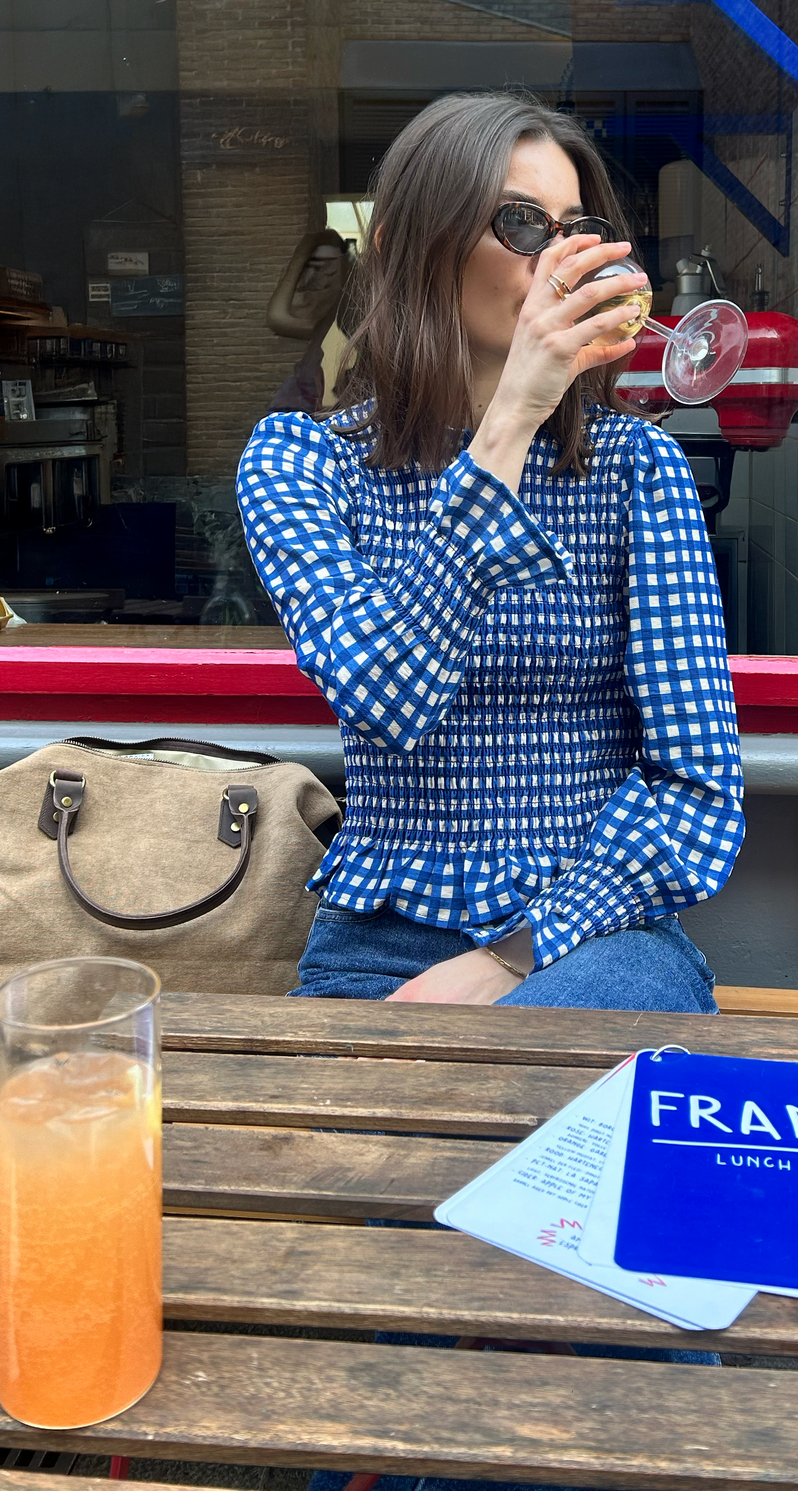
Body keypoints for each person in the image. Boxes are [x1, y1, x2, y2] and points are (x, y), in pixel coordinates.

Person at [238, 91, 745, 1013]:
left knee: (521, 1078)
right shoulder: (300, 462)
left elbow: (698, 789)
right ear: (402, 246)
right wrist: (507, 420)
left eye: (576, 230)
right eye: (521, 224)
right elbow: (390, 698)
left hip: (593, 934)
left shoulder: (638, 470)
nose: (558, 261)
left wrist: (513, 954)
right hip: (378, 936)